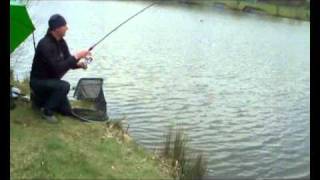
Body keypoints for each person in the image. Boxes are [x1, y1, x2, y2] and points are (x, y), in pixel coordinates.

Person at [30, 14, 91, 123]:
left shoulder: (61, 42)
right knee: (64, 86)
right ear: (57, 28)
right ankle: (46, 112)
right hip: (38, 82)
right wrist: (77, 55)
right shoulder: (45, 44)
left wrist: (79, 65)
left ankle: (39, 101)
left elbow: (68, 62)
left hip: (52, 82)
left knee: (66, 111)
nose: (67, 28)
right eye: (64, 26)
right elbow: (58, 68)